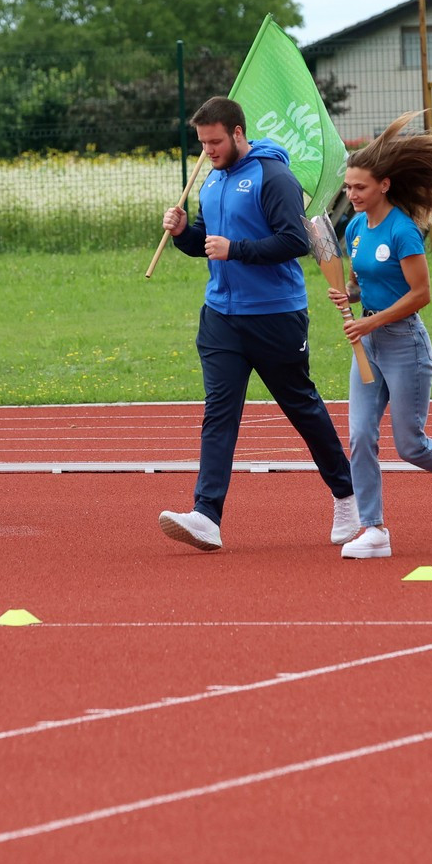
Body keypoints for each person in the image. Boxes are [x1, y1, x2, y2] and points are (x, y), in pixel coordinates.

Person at [157, 96, 357, 552]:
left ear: (238, 133)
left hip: (275, 315)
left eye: (215, 141)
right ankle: (206, 515)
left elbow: (293, 241)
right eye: (203, 143)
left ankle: (348, 494)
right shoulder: (211, 181)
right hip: (221, 318)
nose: (208, 150)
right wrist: (183, 233)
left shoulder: (274, 176)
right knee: (218, 414)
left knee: (301, 407)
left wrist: (237, 250)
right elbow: (209, 245)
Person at [326, 125, 432, 560]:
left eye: (360, 187)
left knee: (410, 444)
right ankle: (374, 529)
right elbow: (362, 283)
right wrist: (348, 296)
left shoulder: (403, 231)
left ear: (384, 184)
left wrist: (372, 323)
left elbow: (421, 294)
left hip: (405, 344)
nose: (353, 194)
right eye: (348, 187)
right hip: (369, 346)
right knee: (360, 437)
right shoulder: (355, 230)